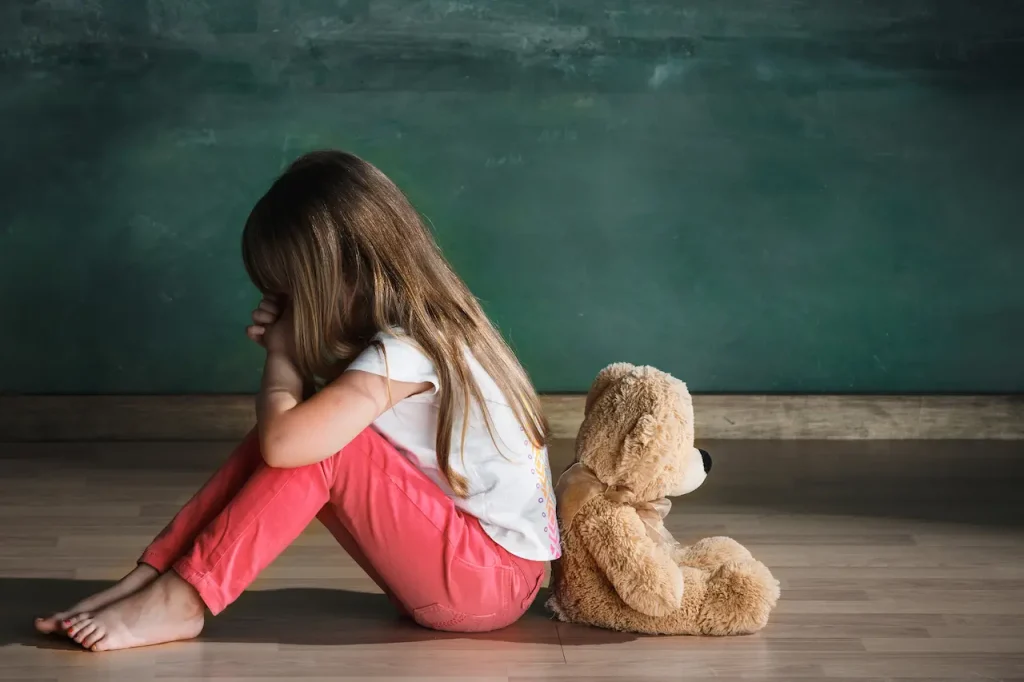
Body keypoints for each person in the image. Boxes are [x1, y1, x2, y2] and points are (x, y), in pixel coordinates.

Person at [35, 150, 561, 651]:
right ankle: (156, 579)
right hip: (488, 574)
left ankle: (183, 597)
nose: (282, 305)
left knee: (316, 445)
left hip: (489, 582)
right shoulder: (427, 327)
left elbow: (290, 445)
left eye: (290, 292)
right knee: (302, 433)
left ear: (344, 275)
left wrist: (282, 356)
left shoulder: (407, 348)